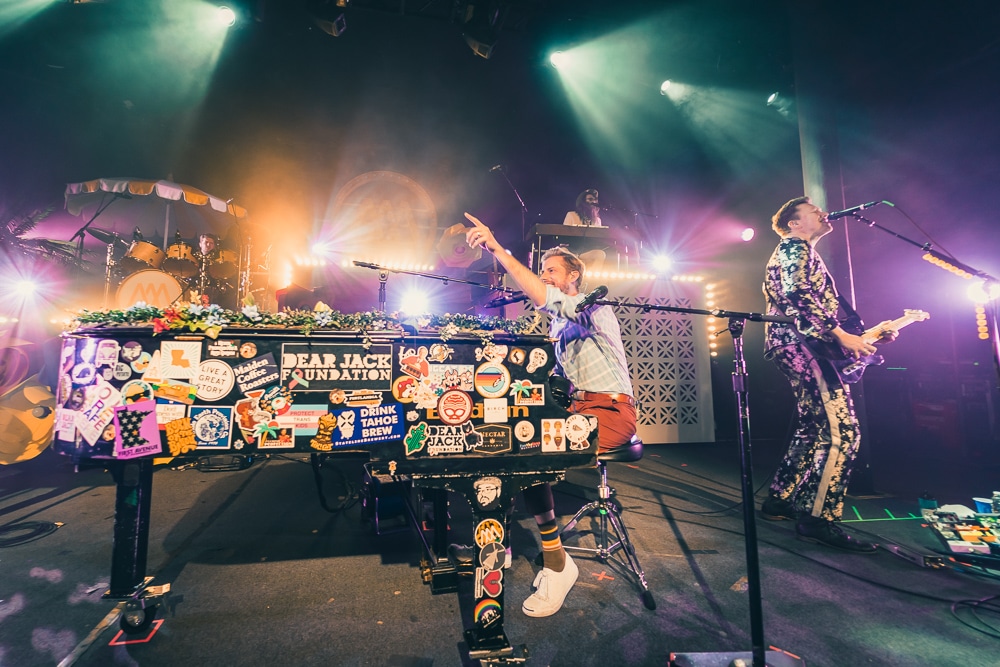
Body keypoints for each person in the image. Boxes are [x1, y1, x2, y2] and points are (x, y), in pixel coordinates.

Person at [463, 211, 636, 617]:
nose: (545, 276)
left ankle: (558, 563)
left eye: (552, 270)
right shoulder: (559, 325)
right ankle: (500, 539)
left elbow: (546, 297)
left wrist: (496, 248)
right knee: (510, 442)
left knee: (532, 453)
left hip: (610, 412)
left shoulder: (592, 307)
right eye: (542, 270)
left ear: (574, 275)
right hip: (579, 409)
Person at [760, 196, 895, 554]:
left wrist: (866, 333)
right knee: (843, 431)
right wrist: (838, 335)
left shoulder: (802, 251)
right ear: (794, 223)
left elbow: (815, 303)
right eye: (812, 212)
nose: (822, 213)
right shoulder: (794, 248)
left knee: (815, 427)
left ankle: (780, 499)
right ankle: (818, 518)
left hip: (797, 344)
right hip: (803, 345)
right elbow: (798, 294)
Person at [562, 188, 607, 272]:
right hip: (572, 251)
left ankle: (591, 281)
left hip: (587, 252)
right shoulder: (571, 215)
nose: (593, 202)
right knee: (563, 252)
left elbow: (599, 239)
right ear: (583, 201)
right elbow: (564, 235)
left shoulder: (597, 220)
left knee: (600, 254)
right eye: (590, 199)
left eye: (595, 200)